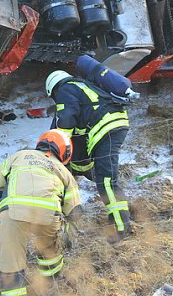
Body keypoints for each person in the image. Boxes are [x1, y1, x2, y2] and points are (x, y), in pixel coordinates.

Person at [0, 129, 82, 296]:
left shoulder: (18, 156)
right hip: (48, 216)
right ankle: (49, 286)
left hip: (12, 214)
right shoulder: (63, 171)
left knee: (11, 265)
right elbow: (75, 211)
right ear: (65, 152)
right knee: (49, 251)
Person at [45, 69, 133, 241]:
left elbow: (66, 119)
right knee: (104, 178)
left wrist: (59, 144)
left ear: (53, 90)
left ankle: (121, 229)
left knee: (106, 181)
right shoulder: (82, 86)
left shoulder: (65, 89)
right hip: (112, 123)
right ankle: (122, 218)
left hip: (106, 128)